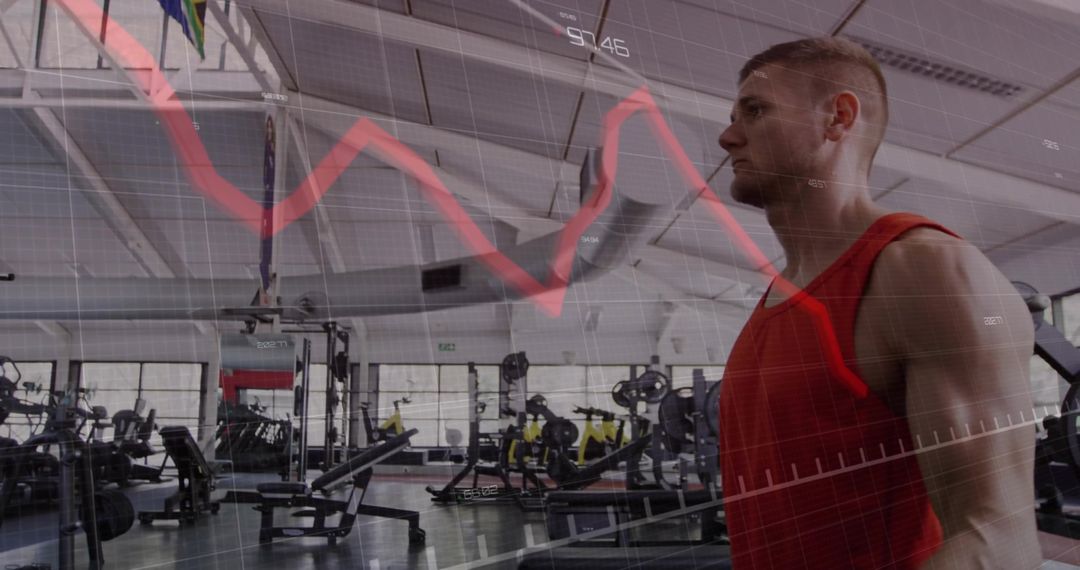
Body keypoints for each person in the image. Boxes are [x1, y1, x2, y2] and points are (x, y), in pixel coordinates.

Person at [716, 37, 1041, 569]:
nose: (727, 137)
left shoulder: (925, 271)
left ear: (838, 118)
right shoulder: (780, 296)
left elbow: (998, 543)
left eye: (755, 111)